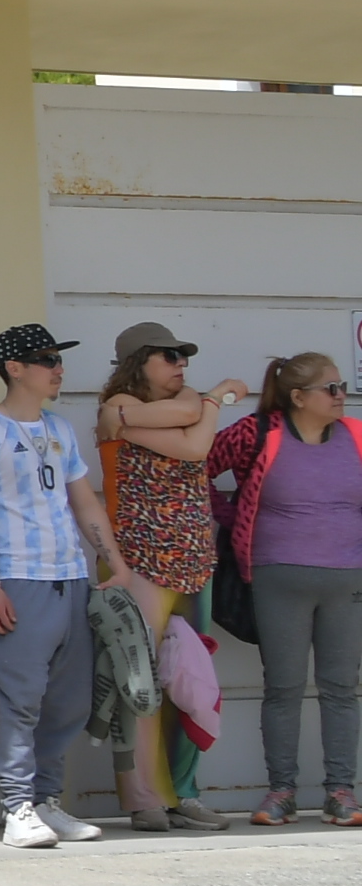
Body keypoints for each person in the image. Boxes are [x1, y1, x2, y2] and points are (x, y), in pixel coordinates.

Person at [0, 323, 124, 851]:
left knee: (69, 701)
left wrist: (113, 564)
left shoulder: (60, 428)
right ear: (15, 368)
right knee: (22, 699)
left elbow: (84, 500)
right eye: (47, 359)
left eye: (58, 359)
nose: (58, 369)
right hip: (17, 577)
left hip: (70, 576)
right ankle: (17, 806)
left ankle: (47, 800)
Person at [93, 321, 251, 830]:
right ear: (137, 362)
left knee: (189, 676)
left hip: (192, 563)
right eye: (169, 356)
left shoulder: (183, 403)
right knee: (138, 683)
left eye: (183, 356)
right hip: (138, 563)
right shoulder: (116, 407)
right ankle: (144, 798)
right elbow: (195, 445)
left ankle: (184, 792)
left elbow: (191, 427)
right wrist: (213, 401)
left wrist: (203, 404)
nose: (181, 364)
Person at [211, 352, 362, 826]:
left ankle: (341, 792)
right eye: (331, 388)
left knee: (341, 688)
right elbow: (198, 466)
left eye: (342, 386)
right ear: (298, 397)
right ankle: (282, 792)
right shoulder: (257, 433)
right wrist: (233, 515)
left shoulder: (356, 436)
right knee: (284, 687)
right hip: (277, 578)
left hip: (347, 580)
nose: (341, 396)